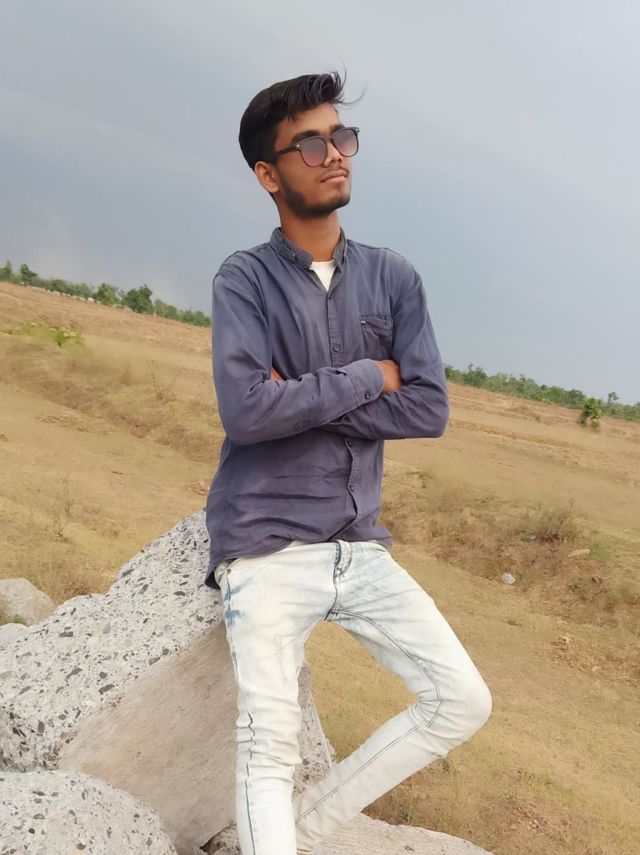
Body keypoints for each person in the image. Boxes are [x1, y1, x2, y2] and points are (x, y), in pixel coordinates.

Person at [204, 70, 492, 855]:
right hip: (264, 542)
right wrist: (369, 373)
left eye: (341, 137)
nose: (334, 154)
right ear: (268, 175)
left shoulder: (394, 277)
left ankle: (301, 830)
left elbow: (429, 409)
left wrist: (298, 393)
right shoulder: (244, 279)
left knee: (462, 699)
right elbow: (246, 413)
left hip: (359, 544)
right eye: (309, 144)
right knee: (270, 741)